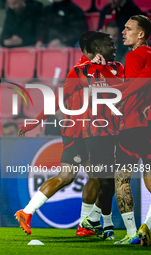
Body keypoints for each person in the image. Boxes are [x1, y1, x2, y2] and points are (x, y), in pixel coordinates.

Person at [15, 32, 121, 238]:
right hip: (77, 134)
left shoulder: (109, 69)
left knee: (97, 177)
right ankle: (26, 212)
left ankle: (84, 224)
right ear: (91, 49)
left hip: (94, 134)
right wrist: (34, 123)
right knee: (67, 177)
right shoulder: (80, 71)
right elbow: (57, 100)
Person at [104, 14, 151, 245]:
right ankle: (148, 226)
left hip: (131, 127)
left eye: (128, 28)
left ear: (141, 34)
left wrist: (116, 97)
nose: (123, 32)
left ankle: (132, 232)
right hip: (147, 127)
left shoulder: (134, 55)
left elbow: (134, 86)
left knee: (121, 180)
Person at [80, 33, 124, 241]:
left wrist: (104, 68)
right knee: (106, 178)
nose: (114, 47)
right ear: (98, 49)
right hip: (97, 132)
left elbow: (121, 89)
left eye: (114, 44)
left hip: (121, 129)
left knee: (115, 178)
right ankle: (107, 224)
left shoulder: (118, 67)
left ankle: (95, 219)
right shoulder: (82, 70)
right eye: (109, 45)